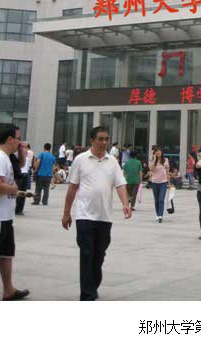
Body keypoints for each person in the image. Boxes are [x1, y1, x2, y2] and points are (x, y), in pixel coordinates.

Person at [62, 126, 131, 301]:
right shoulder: (80, 160)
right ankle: (87, 294)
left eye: (106, 139)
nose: (104, 142)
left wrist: (125, 203)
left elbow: (120, 184)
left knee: (99, 255)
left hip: (104, 217)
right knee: (86, 254)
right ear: (92, 140)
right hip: (84, 216)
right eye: (100, 139)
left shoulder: (112, 161)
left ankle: (92, 286)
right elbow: (72, 188)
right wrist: (66, 213)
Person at [0, 125, 30, 301]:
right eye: (17, 138)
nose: (19, 141)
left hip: (6, 216)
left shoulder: (7, 158)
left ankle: (8, 290)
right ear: (9, 139)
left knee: (6, 253)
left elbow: (21, 164)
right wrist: (13, 189)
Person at [149, 147, 170, 223]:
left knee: (161, 199)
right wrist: (154, 159)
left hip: (163, 183)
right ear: (154, 153)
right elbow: (151, 169)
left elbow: (167, 172)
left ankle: (160, 215)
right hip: (154, 182)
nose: (158, 153)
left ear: (161, 152)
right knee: (156, 200)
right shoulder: (152, 160)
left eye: (159, 151)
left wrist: (169, 182)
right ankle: (158, 214)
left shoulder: (165, 160)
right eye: (156, 152)